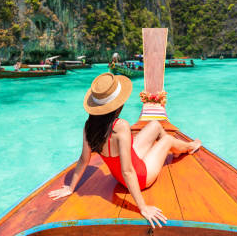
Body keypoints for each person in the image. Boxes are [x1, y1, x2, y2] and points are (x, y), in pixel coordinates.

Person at [48, 73, 201, 228]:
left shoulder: (89, 126)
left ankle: (174, 149)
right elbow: (128, 171)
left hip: (119, 176)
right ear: (118, 105)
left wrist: (70, 187)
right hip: (141, 177)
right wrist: (143, 208)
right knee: (167, 139)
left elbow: (84, 159)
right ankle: (189, 147)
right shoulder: (121, 126)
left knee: (155, 124)